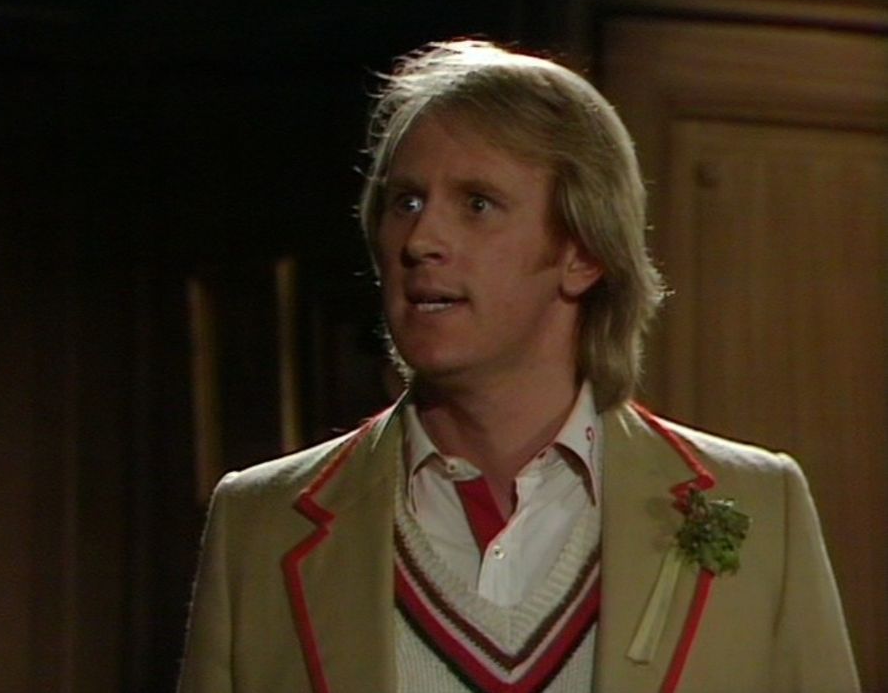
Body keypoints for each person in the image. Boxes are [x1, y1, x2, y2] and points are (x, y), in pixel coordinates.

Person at [178, 40, 859, 693]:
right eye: (405, 202)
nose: (420, 240)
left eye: (477, 204)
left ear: (583, 253)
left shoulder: (760, 505)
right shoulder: (259, 526)